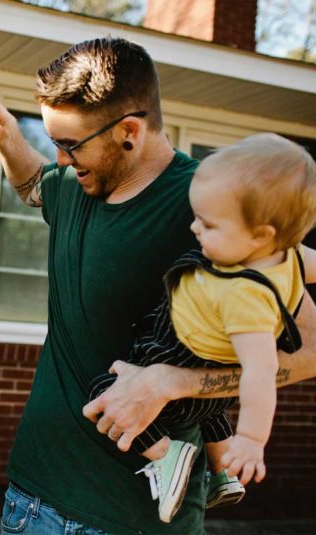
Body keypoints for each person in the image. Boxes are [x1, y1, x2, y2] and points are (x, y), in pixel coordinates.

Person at [0, 36, 316, 534]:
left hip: (130, 522)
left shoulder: (211, 206)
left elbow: (312, 349)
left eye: (71, 144)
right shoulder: (74, 184)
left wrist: (174, 382)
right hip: (30, 500)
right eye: (55, 143)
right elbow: (33, 185)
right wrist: (5, 134)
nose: (62, 159)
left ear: (129, 130)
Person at [87, 133, 316, 523]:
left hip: (177, 353)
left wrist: (253, 438)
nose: (195, 228)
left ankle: (166, 455)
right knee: (209, 411)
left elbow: (260, 372)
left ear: (261, 234)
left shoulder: (245, 298)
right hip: (203, 372)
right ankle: (222, 470)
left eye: (209, 225)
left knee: (101, 391)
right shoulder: (289, 256)